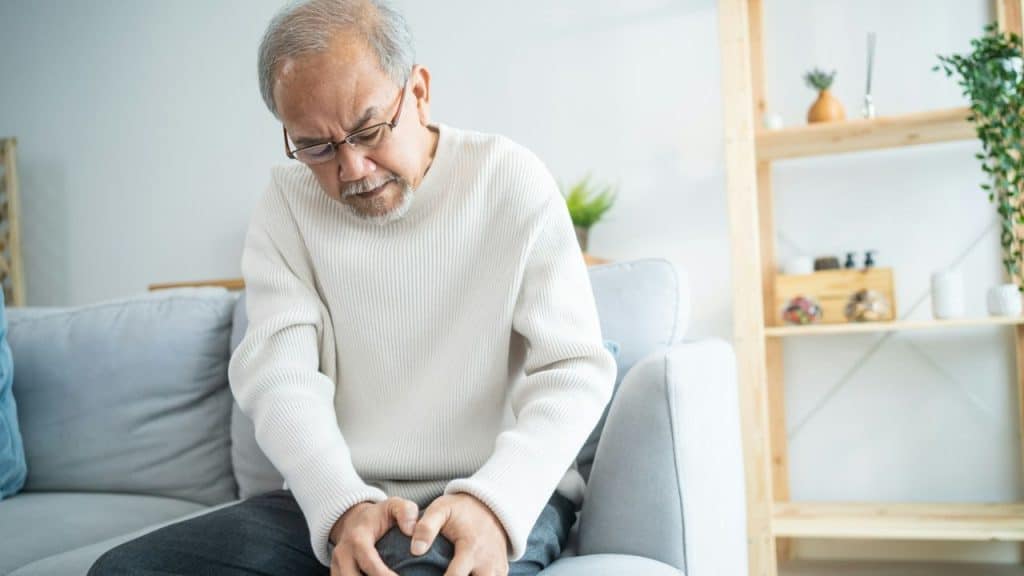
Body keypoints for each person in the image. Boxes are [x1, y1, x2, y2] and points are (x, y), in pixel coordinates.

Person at [89, 1, 615, 574]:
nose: (354, 168)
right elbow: (279, 376)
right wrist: (342, 506)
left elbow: (573, 369)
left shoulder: (509, 179)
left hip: (495, 493)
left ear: (418, 91)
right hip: (345, 498)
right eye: (316, 147)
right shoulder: (287, 203)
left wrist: (493, 501)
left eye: (368, 130)